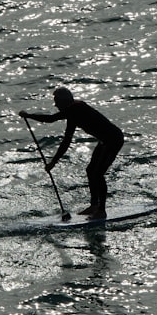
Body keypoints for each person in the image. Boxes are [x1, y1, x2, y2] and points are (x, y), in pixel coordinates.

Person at [19, 87, 124, 220]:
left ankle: (101, 211)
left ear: (65, 101)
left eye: (57, 101)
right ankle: (94, 206)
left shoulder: (77, 108)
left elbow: (51, 119)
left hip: (113, 140)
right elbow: (66, 141)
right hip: (104, 141)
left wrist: (29, 115)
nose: (55, 105)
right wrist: (53, 162)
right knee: (90, 170)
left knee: (98, 174)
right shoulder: (73, 115)